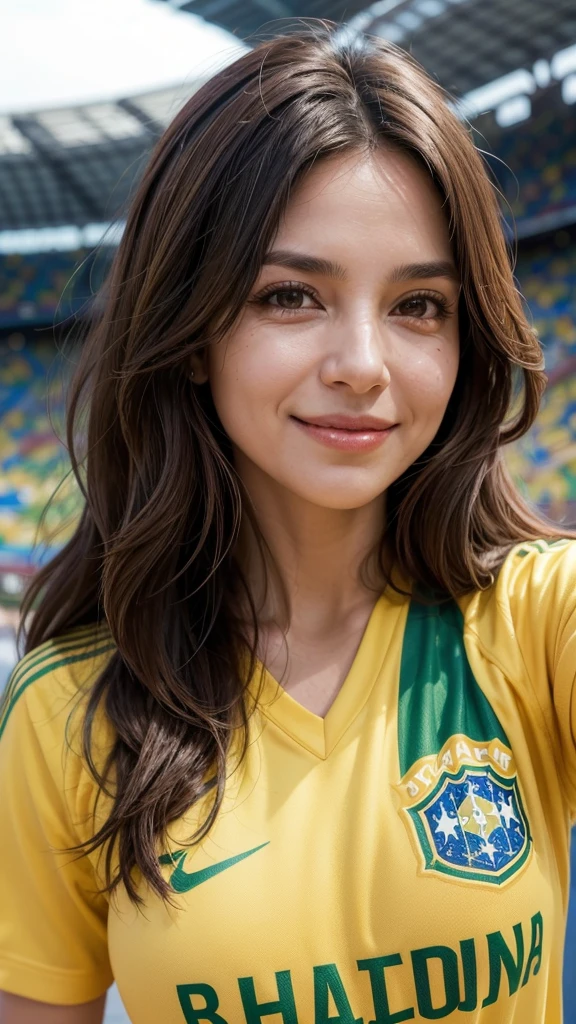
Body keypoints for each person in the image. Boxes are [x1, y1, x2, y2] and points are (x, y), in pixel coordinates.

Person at [0, 22, 574, 1024]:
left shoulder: (537, 622)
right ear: (189, 335)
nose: (364, 362)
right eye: (291, 294)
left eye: (420, 306)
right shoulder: (69, 712)